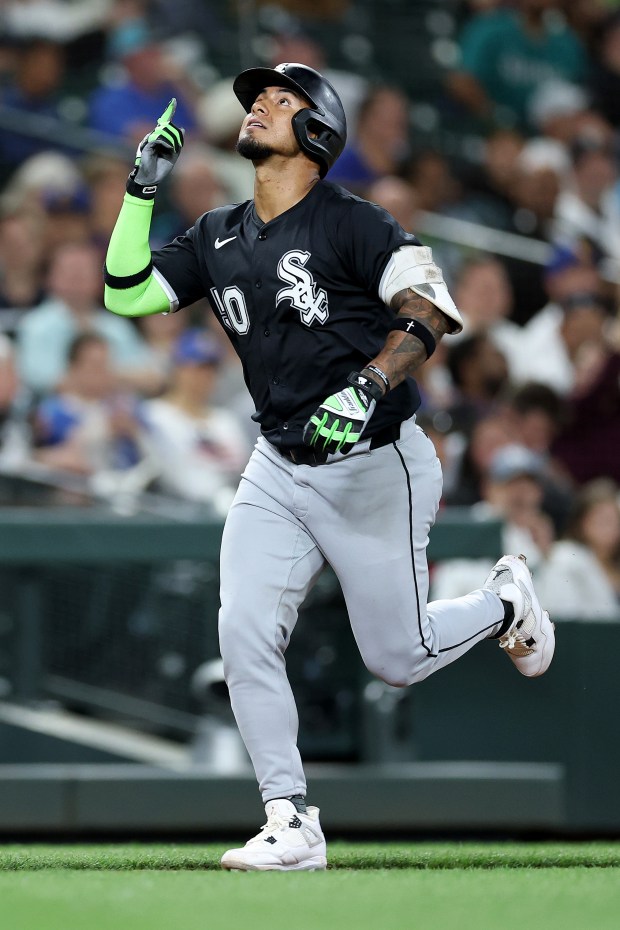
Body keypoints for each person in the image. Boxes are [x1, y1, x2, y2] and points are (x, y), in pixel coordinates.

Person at [103, 63, 554, 872]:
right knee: (241, 631)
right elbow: (125, 294)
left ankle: (501, 601)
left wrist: (372, 381)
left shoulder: (354, 221)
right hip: (277, 463)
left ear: (319, 132)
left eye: (280, 99)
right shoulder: (217, 233)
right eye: (256, 100)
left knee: (399, 657)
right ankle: (290, 821)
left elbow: (428, 312)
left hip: (377, 461)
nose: (259, 106)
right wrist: (140, 192)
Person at [535, 479, 620, 620]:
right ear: (582, 521)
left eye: (615, 520)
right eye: (603, 520)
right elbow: (563, 614)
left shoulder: (615, 564)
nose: (610, 528)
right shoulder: (565, 557)